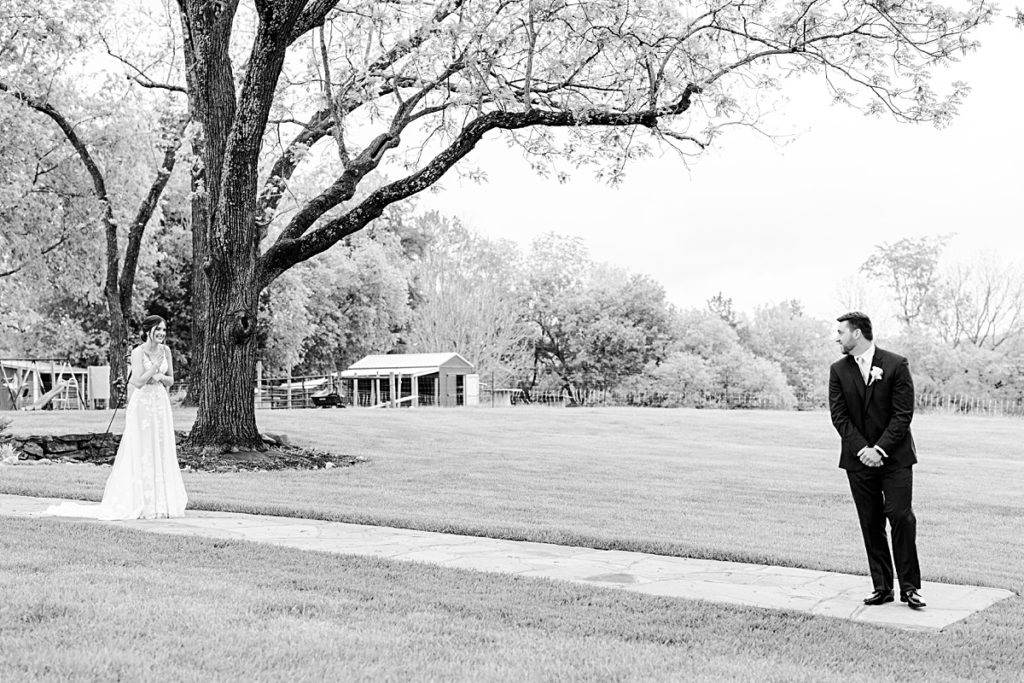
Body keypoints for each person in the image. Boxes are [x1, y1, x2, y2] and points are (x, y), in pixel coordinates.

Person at [46, 315, 188, 520]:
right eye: (158, 329)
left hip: (160, 403)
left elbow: (171, 380)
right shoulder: (138, 352)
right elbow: (138, 382)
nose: (162, 334)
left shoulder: (166, 351)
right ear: (147, 330)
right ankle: (143, 501)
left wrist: (160, 376)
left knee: (161, 446)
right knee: (143, 448)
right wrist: (154, 368)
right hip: (142, 405)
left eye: (164, 330)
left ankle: (163, 501)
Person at [829, 311, 924, 610]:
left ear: (857, 333)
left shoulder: (896, 364)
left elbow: (902, 414)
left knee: (900, 516)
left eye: (841, 332)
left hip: (895, 458)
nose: (837, 337)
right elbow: (839, 417)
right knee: (870, 523)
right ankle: (882, 588)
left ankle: (910, 588)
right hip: (858, 462)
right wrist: (862, 450)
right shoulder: (838, 370)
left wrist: (879, 449)